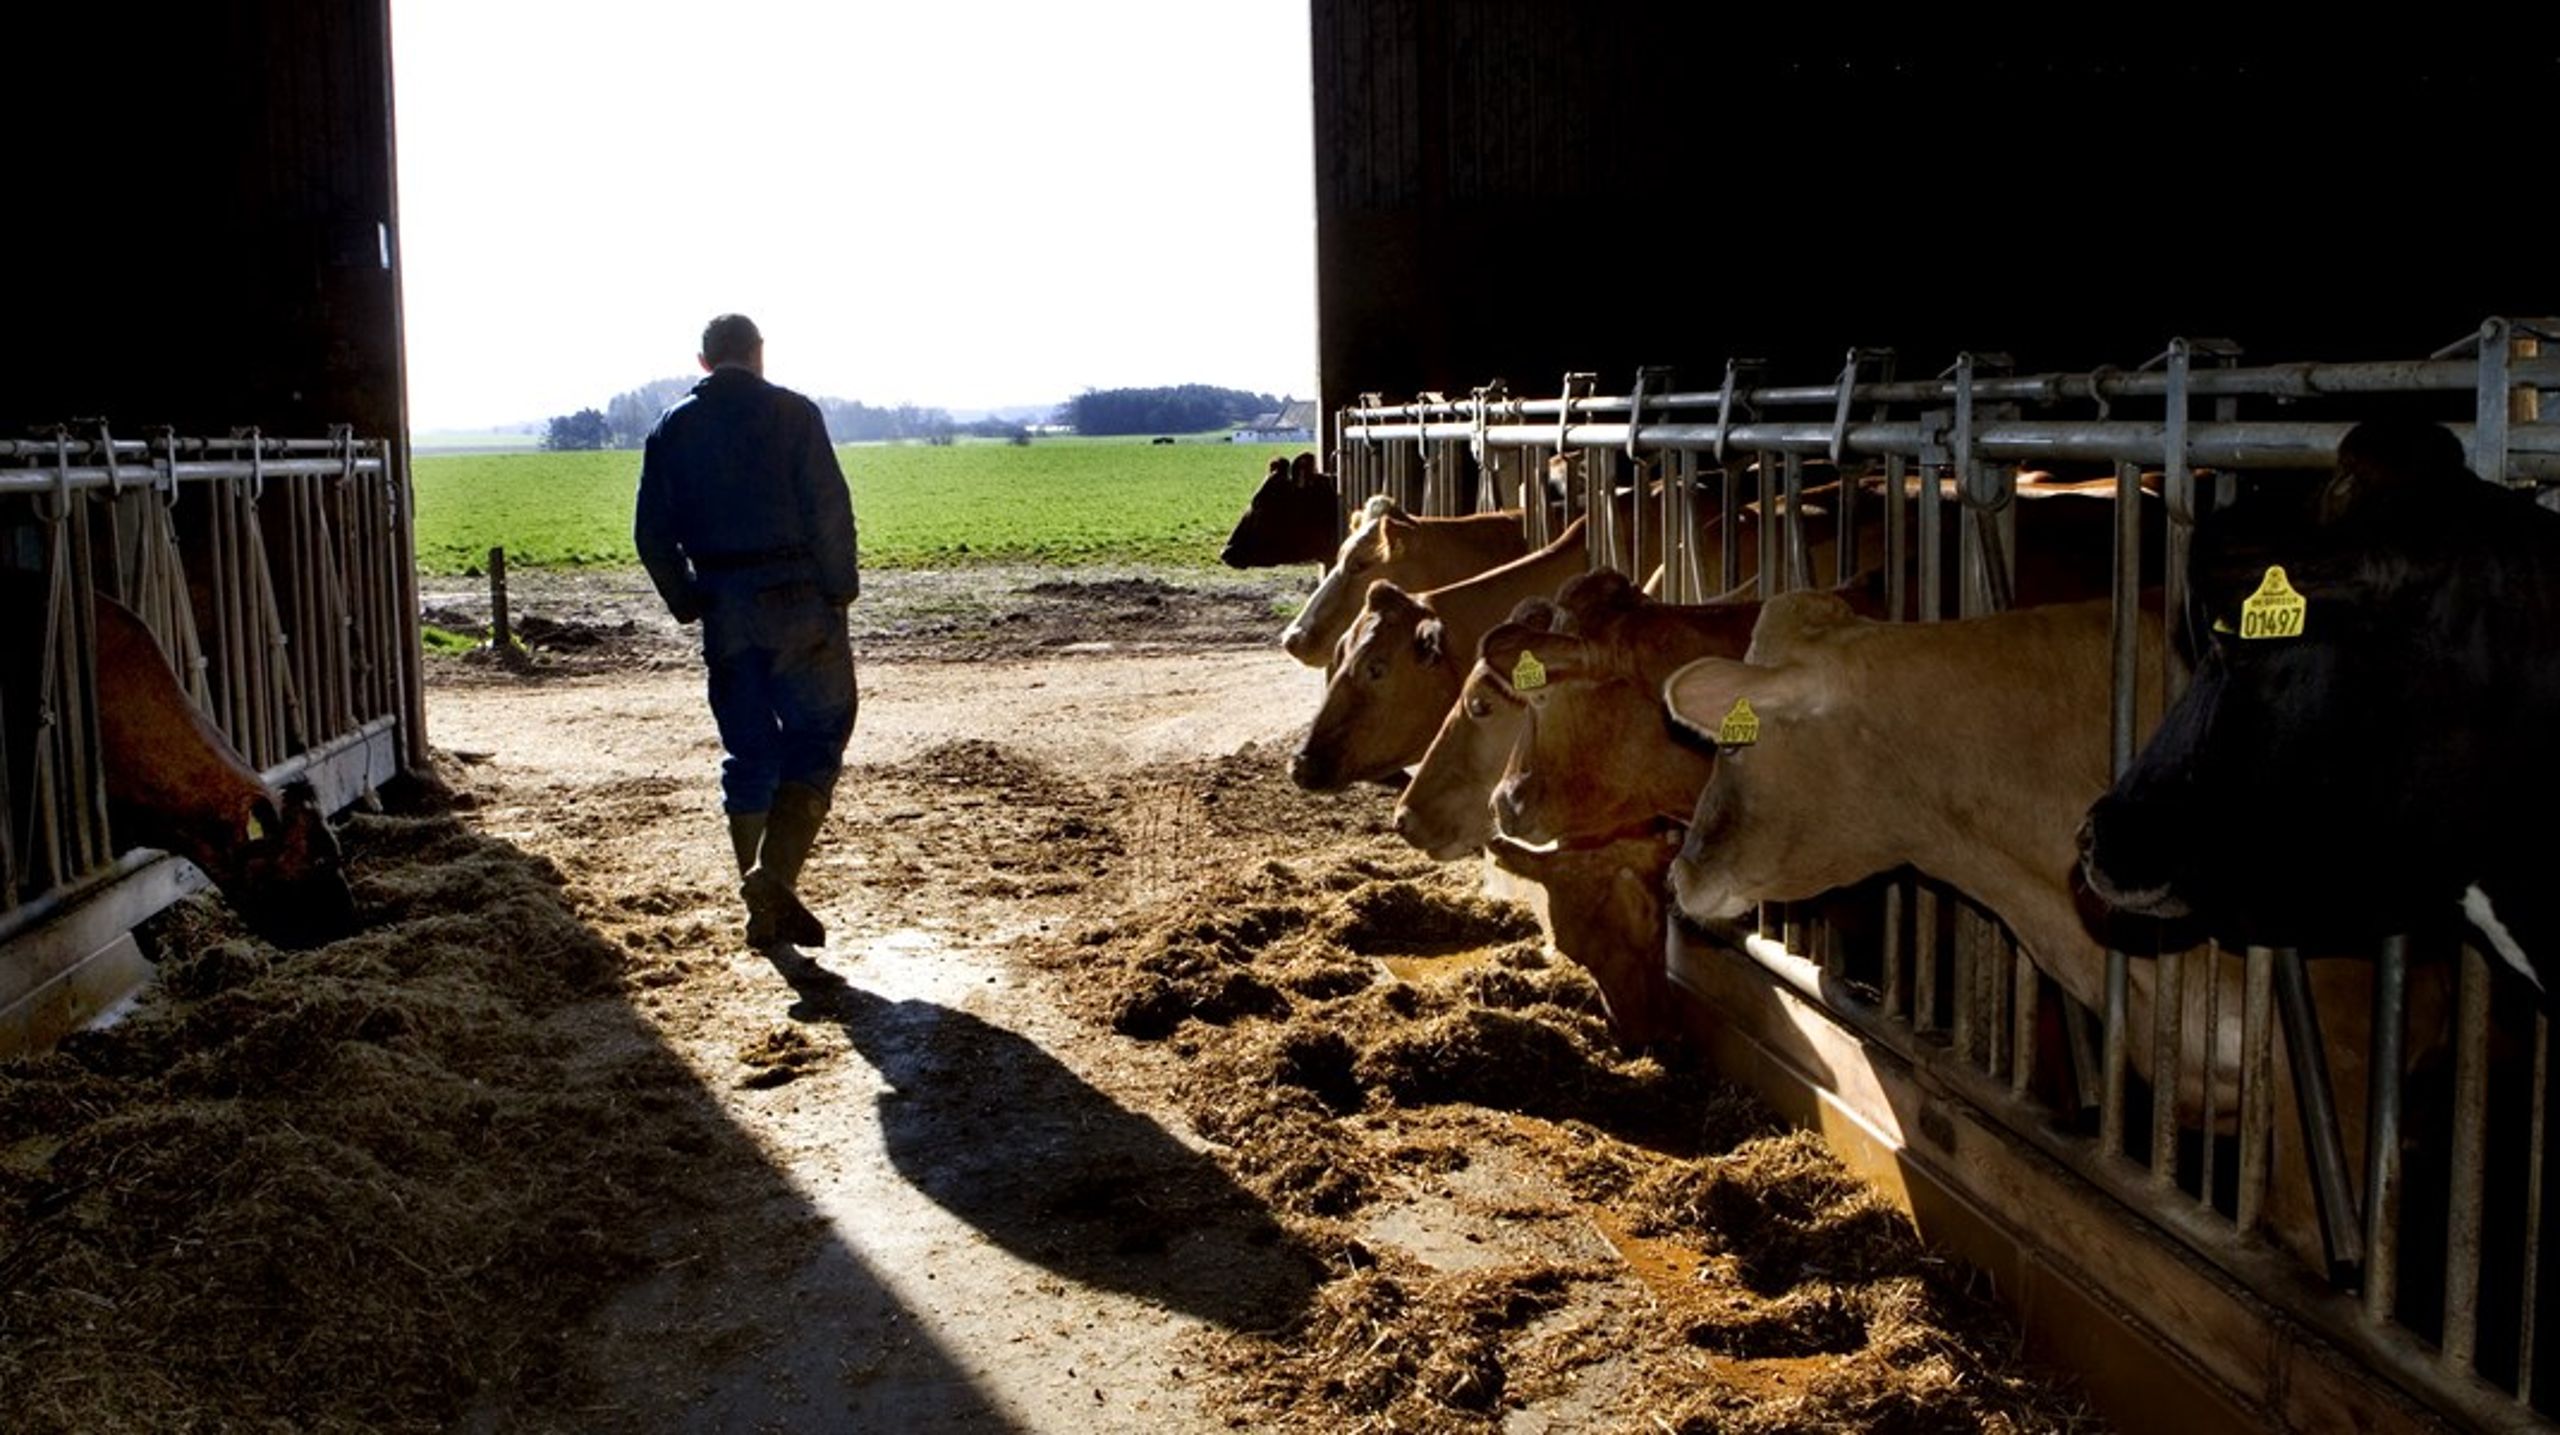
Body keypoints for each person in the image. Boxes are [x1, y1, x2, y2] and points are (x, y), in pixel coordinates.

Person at [634, 313, 860, 949]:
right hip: (799, 602)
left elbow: (650, 533)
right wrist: (839, 590)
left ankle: (763, 915)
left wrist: (689, 601)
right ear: (759, 353)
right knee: (819, 732)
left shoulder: (672, 427)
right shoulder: (795, 414)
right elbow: (830, 510)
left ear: (704, 362)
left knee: (749, 750)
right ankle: (774, 877)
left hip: (725, 607)